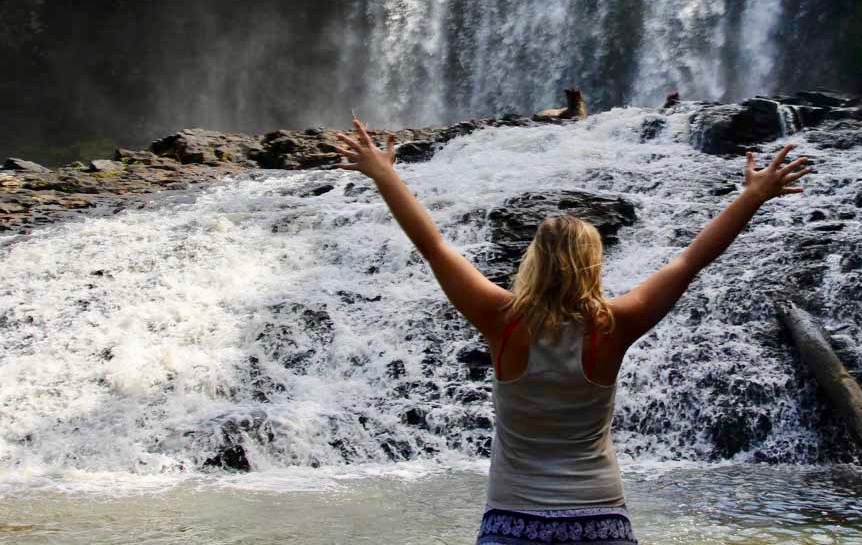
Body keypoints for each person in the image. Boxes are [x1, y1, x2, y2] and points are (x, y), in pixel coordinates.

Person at [334, 120, 810, 545]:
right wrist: (752, 195)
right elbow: (691, 260)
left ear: (533, 260)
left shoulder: (501, 319)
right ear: (593, 264)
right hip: (600, 518)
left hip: (512, 518)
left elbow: (433, 246)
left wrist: (384, 174)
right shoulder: (617, 322)